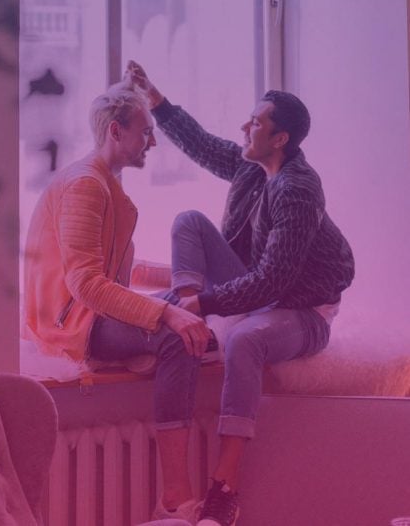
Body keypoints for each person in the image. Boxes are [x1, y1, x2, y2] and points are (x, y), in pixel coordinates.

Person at [127, 60, 355, 526]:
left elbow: (272, 283)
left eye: (256, 122)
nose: (245, 126)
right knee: (189, 220)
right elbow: (201, 144)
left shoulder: (297, 188)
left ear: (280, 139)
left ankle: (223, 490)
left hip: (305, 309)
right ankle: (195, 333)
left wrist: (204, 301)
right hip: (263, 292)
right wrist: (156, 99)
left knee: (246, 340)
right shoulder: (251, 167)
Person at [23, 82, 214, 522]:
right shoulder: (85, 185)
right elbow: (87, 283)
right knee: (175, 337)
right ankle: (173, 494)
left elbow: (117, 270)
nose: (152, 140)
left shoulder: (102, 184)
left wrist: (184, 284)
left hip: (93, 309)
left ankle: (141, 352)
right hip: (72, 321)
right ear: (115, 131)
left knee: (196, 314)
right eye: (145, 131)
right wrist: (166, 312)